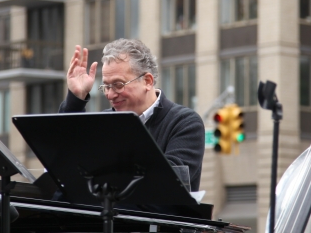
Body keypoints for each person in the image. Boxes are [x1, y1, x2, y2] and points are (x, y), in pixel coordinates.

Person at [59, 39, 205, 191]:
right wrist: (76, 98)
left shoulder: (185, 122)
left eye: (118, 85)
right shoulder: (104, 122)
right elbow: (64, 153)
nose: (110, 95)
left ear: (147, 81)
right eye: (106, 86)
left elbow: (169, 180)